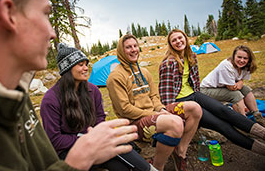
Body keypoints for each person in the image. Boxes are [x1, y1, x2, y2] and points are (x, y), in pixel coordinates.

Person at [0, 0, 138, 170]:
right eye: (45, 14)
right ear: (9, 14)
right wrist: (76, 162)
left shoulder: (16, 96)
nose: (53, 33)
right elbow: (55, 143)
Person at [41, 43, 157, 171]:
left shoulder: (93, 90)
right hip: (69, 152)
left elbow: (100, 118)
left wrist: (98, 136)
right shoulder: (51, 99)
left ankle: (149, 169)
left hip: (95, 142)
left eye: (86, 64)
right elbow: (54, 139)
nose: (86, 68)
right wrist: (88, 138)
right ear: (67, 69)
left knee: (120, 166)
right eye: (81, 65)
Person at [159, 29, 265, 157]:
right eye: (174, 40)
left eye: (180, 38)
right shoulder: (168, 63)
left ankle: (262, 133)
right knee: (221, 125)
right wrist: (174, 112)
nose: (178, 41)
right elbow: (165, 94)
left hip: (195, 95)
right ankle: (262, 150)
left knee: (225, 111)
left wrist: (201, 99)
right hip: (181, 102)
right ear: (171, 45)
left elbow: (195, 81)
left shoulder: (191, 56)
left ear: (185, 39)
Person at [107, 34, 202, 171]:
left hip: (154, 114)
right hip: (134, 122)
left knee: (195, 108)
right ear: (121, 51)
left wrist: (161, 109)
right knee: (175, 123)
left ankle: (180, 151)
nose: (134, 50)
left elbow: (154, 96)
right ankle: (157, 166)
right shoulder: (115, 77)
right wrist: (156, 113)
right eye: (128, 47)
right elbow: (125, 109)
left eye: (135, 46)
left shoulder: (144, 72)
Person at [200, 45, 265, 124]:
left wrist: (241, 82)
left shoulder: (246, 66)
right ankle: (243, 122)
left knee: (246, 90)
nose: (242, 60)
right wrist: (240, 83)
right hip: (206, 90)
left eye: (245, 58)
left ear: (249, 59)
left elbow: (240, 79)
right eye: (239, 57)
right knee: (235, 95)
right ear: (234, 56)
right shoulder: (226, 66)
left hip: (221, 87)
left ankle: (257, 115)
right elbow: (231, 88)